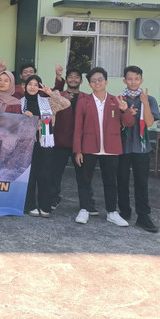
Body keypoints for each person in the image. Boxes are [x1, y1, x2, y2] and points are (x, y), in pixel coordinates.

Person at [72, 67, 135, 227]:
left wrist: (124, 110)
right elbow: (78, 127)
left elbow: (129, 123)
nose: (97, 83)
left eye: (100, 79)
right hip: (88, 147)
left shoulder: (116, 101)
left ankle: (112, 212)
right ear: (89, 84)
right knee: (85, 179)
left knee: (110, 181)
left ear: (106, 82)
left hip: (111, 148)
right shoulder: (83, 102)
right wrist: (77, 150)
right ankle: (84, 209)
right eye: (93, 80)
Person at [50, 67, 99, 213]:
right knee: (55, 173)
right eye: (70, 77)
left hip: (81, 144)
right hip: (60, 141)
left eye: (76, 77)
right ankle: (52, 199)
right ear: (66, 80)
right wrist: (63, 102)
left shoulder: (87, 98)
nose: (73, 79)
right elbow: (50, 112)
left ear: (81, 81)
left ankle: (87, 204)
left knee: (84, 175)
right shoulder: (59, 95)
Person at [118, 65, 160, 233]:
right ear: (124, 80)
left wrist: (145, 104)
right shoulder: (119, 99)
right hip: (122, 147)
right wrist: (126, 112)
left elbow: (149, 123)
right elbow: (115, 123)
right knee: (121, 181)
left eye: (136, 79)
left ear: (141, 80)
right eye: (130, 79)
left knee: (141, 182)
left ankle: (143, 216)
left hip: (141, 148)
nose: (133, 82)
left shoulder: (149, 99)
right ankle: (124, 212)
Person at [21, 75, 70, 218]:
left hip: (45, 142)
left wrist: (51, 93)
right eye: (30, 84)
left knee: (45, 174)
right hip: (26, 143)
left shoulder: (47, 102)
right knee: (29, 175)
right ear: (25, 86)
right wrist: (24, 116)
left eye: (36, 84)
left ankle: (45, 205)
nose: (32, 87)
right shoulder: (20, 103)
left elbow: (66, 103)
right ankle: (30, 205)